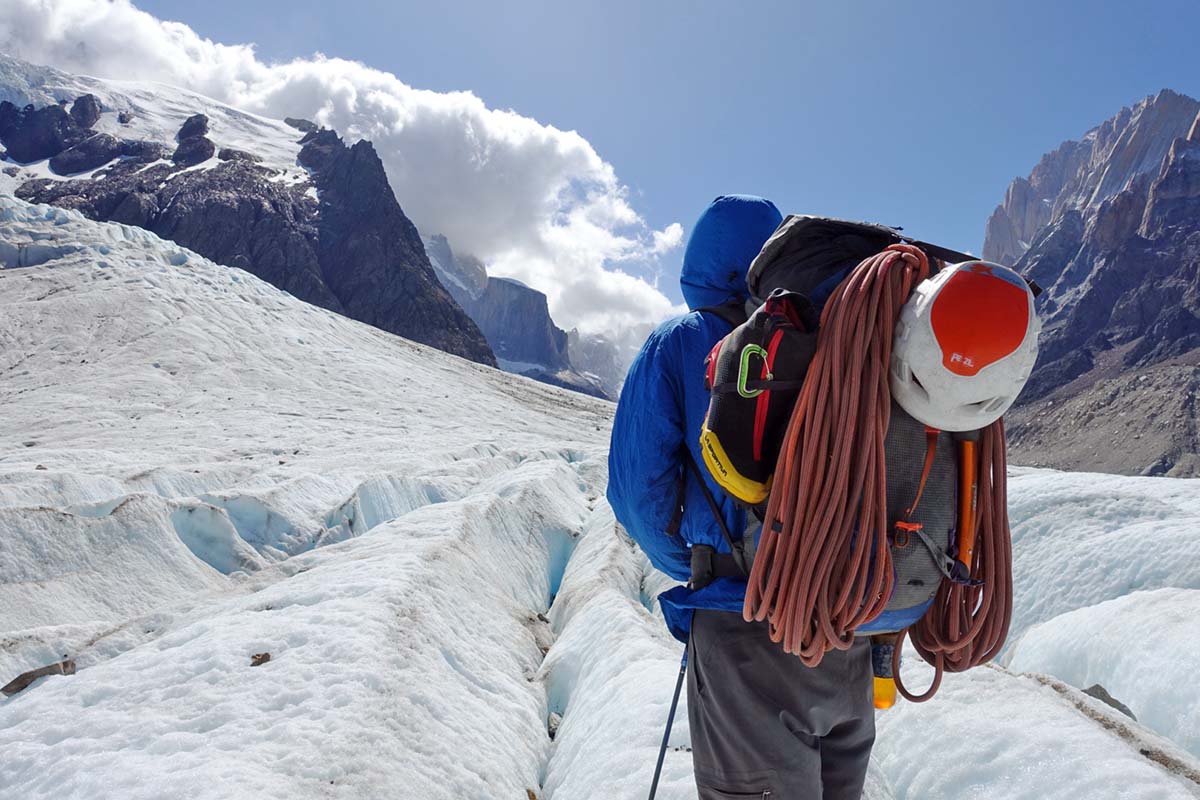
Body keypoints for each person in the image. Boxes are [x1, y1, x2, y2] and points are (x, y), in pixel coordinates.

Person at [607, 195, 874, 799]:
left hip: (744, 626)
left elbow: (635, 497)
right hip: (845, 633)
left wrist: (705, 567)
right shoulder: (842, 339)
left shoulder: (681, 342)